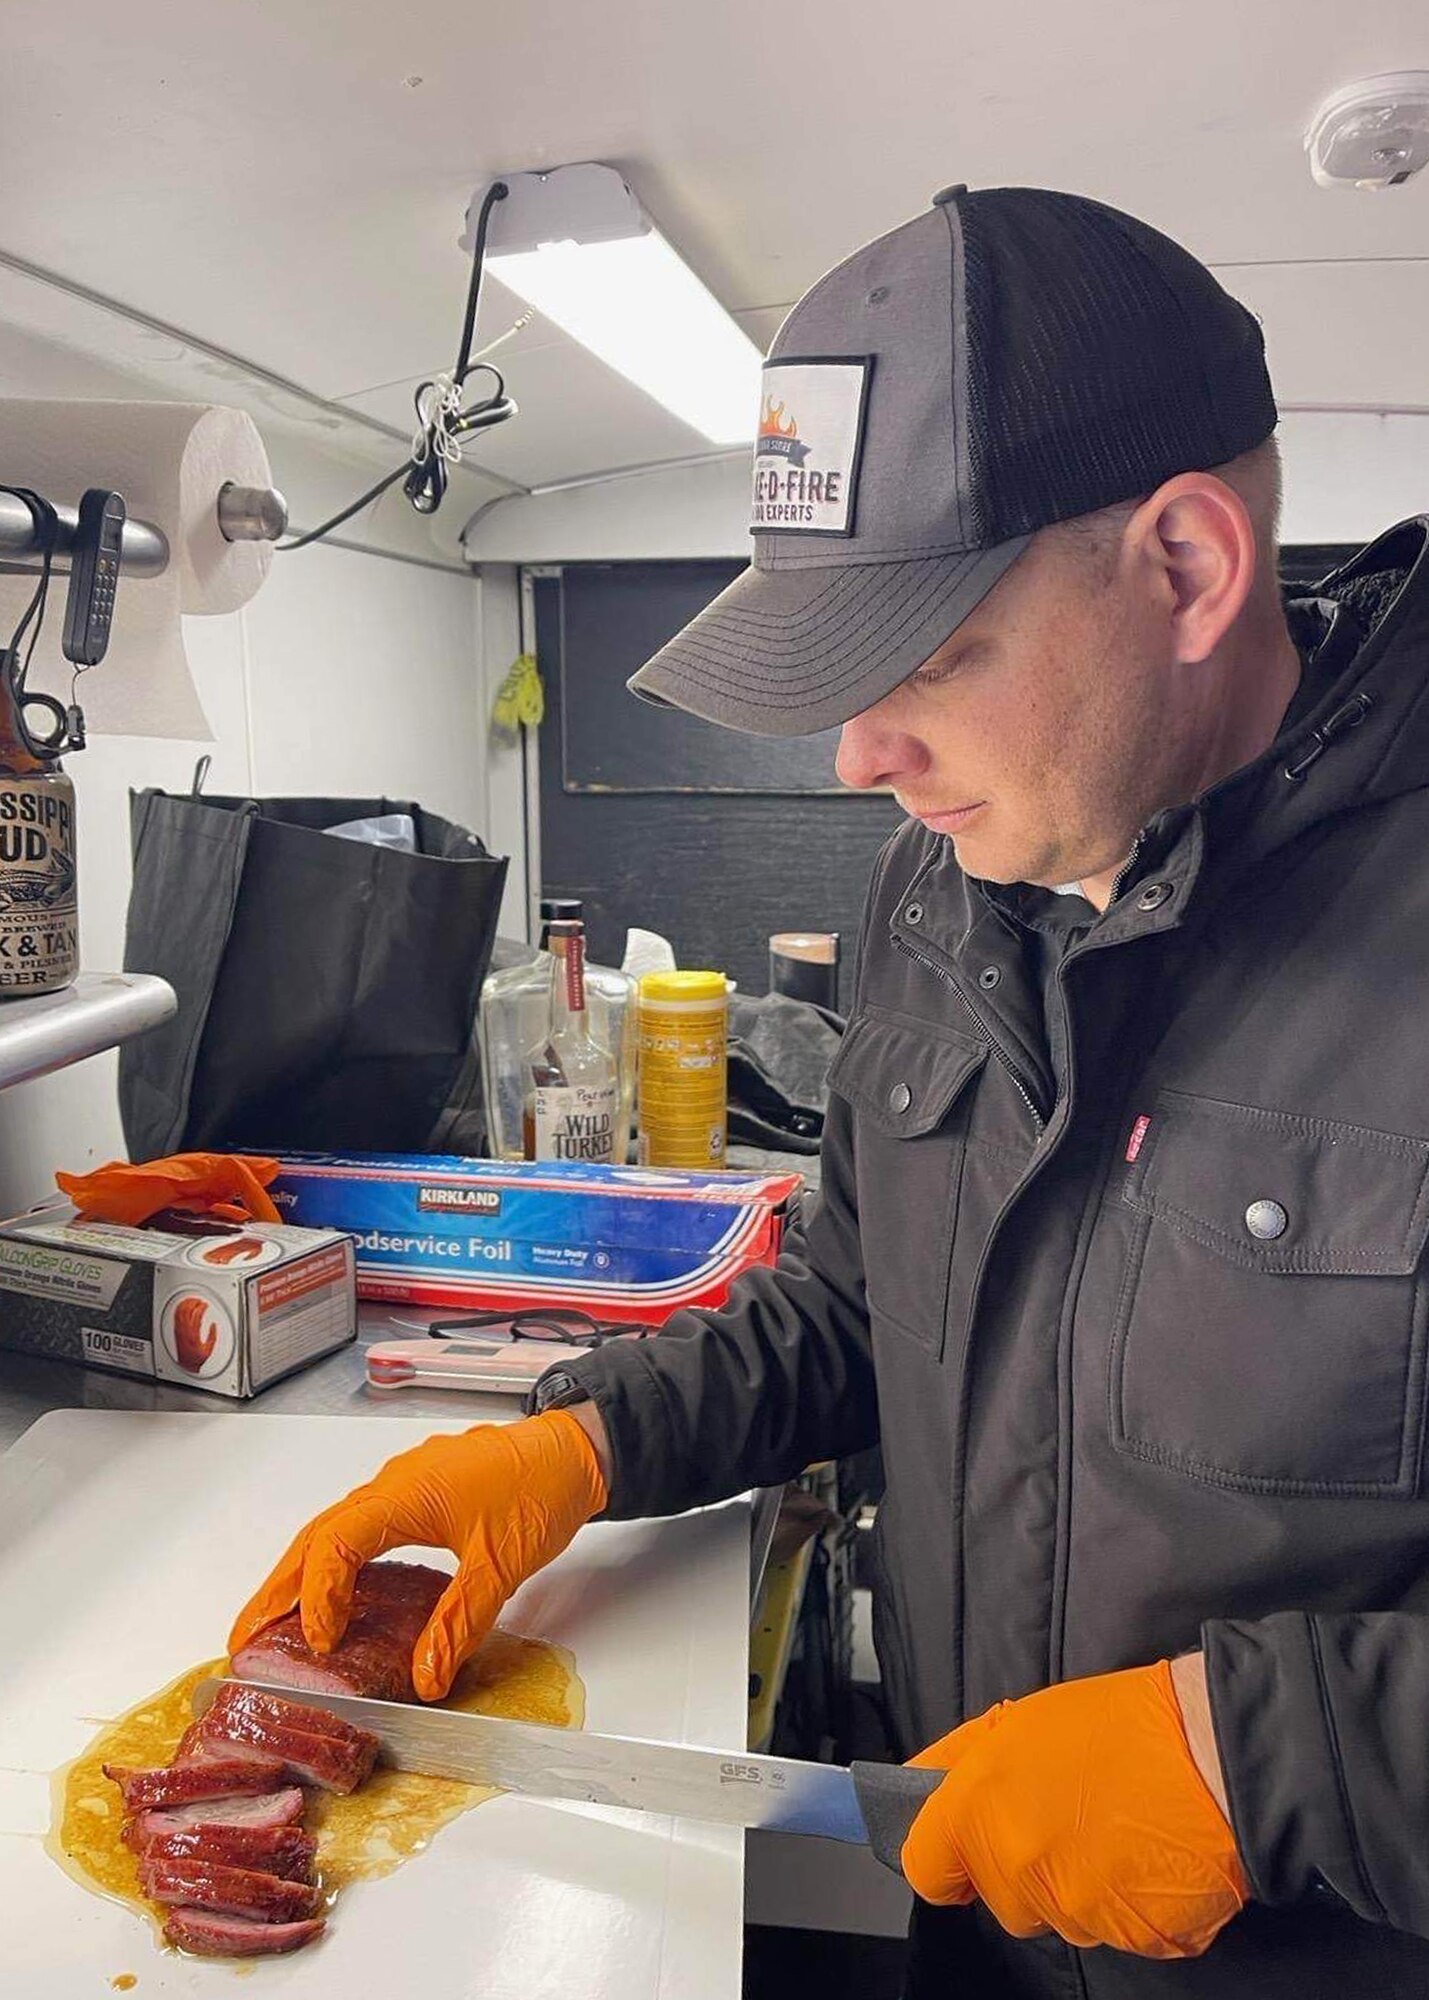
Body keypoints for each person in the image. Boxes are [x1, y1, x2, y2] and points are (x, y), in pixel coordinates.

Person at [231, 185, 1429, 1996]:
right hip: (965, 1904)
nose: (859, 758)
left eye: (927, 657)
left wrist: (1270, 1762)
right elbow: (865, 1311)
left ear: (1184, 566)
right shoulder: (948, 883)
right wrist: (584, 1446)